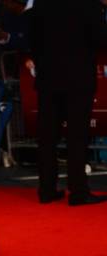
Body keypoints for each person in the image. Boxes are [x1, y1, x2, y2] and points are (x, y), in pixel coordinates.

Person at [29, 0, 107, 205]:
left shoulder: (41, 3)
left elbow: (33, 39)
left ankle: (46, 190)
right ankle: (78, 191)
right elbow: (100, 38)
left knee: (47, 138)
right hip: (78, 79)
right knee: (77, 137)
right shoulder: (88, 4)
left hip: (48, 78)